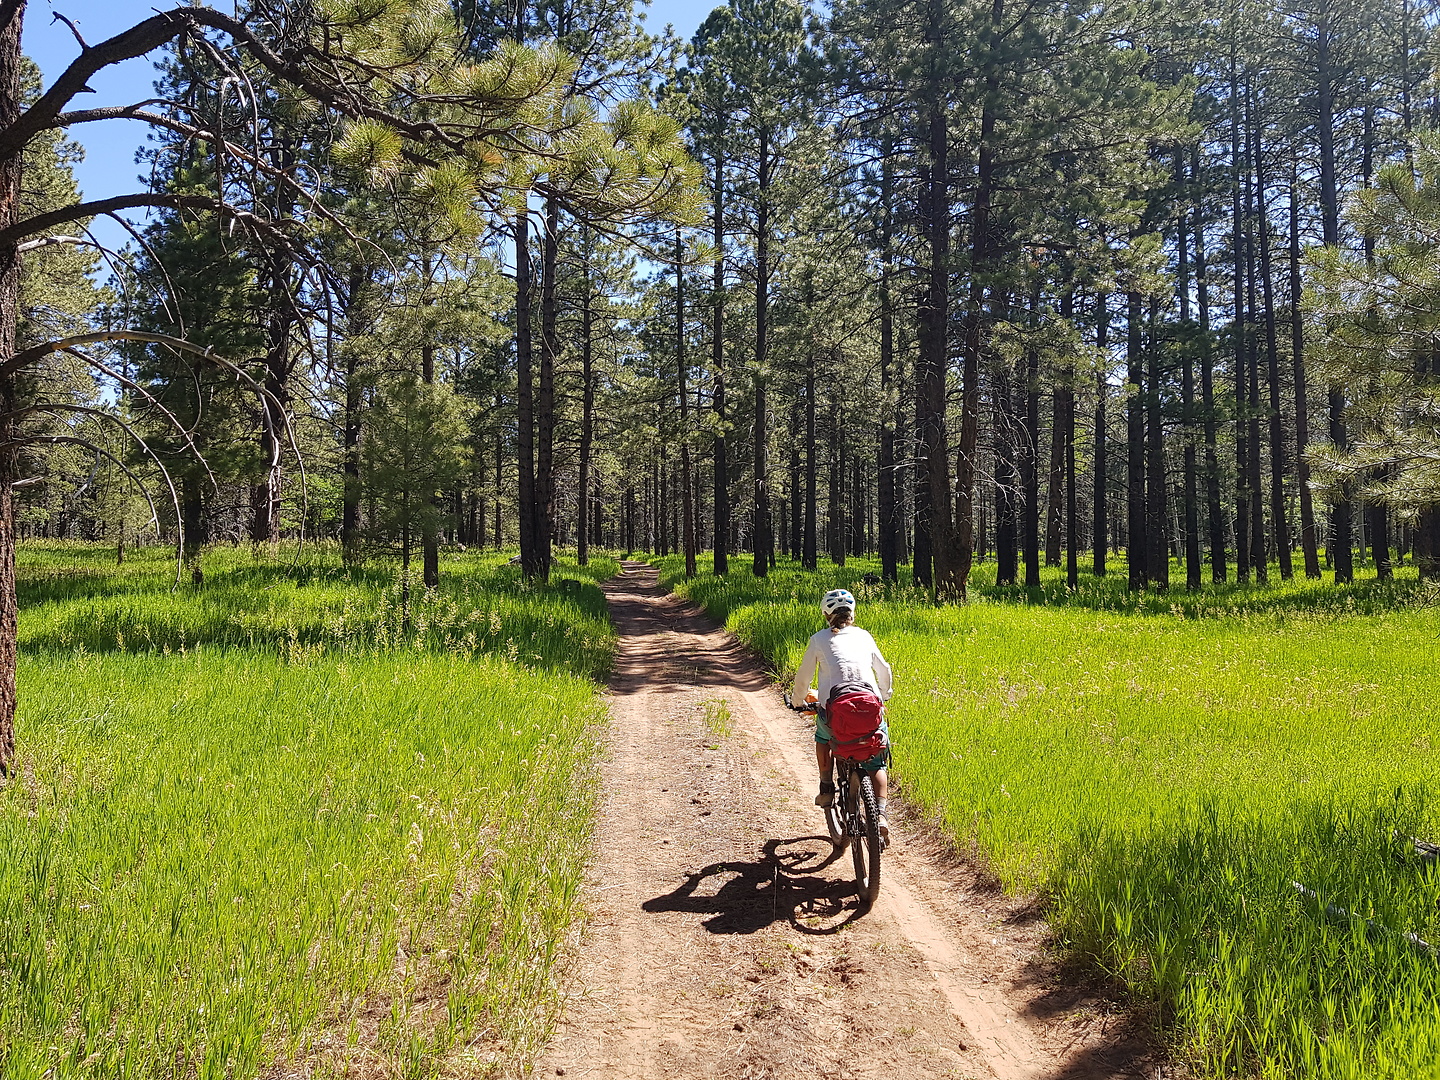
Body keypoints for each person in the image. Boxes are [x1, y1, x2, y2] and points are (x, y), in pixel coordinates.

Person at [791, 588, 894, 840]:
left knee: (823, 738)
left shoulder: (818, 639)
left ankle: (826, 785)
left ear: (826, 615)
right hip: (871, 708)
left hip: (834, 709)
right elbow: (884, 670)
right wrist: (884, 695)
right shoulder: (864, 636)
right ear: (852, 613)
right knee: (876, 762)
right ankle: (880, 814)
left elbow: (803, 679)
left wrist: (797, 701)